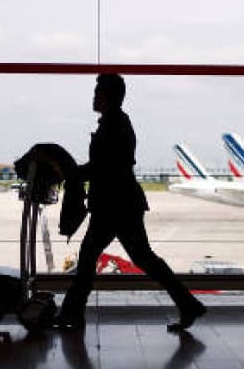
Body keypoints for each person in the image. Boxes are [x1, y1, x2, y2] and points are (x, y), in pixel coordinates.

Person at [53, 73, 206, 332]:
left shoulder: (114, 125)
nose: (93, 97)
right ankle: (188, 304)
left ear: (107, 95)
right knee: (139, 259)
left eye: (97, 92)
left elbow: (104, 166)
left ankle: (72, 313)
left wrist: (72, 172)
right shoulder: (116, 122)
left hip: (115, 205)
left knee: (92, 258)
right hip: (120, 203)